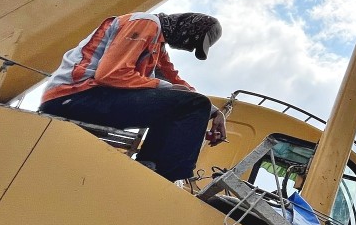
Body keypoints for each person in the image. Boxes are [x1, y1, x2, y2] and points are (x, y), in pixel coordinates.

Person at [39, 12, 225, 183]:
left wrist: (213, 112)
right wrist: (171, 90)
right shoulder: (146, 24)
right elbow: (110, 74)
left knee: (186, 105)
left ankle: (151, 165)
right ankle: (168, 177)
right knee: (190, 105)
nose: (189, 48)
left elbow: (177, 84)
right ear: (189, 27)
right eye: (193, 41)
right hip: (75, 95)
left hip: (88, 97)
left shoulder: (157, 45)